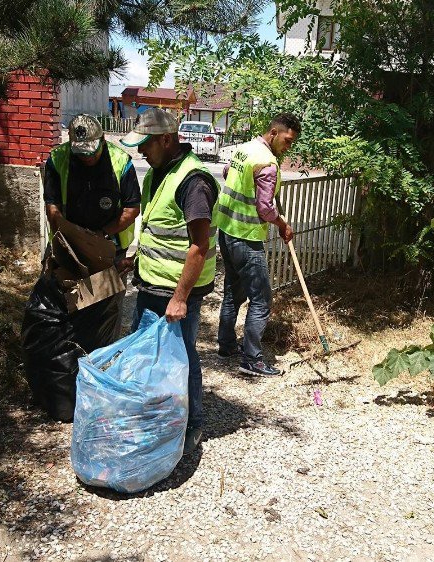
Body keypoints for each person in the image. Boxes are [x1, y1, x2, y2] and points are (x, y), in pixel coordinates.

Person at [120, 108, 219, 455]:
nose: (141, 152)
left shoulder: (194, 182)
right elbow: (154, 226)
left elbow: (199, 245)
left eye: (146, 144)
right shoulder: (158, 173)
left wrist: (180, 298)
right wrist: (134, 254)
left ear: (166, 139)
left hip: (176, 292)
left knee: (182, 357)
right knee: (148, 353)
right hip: (150, 283)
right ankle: (157, 413)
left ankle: (193, 423)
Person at [214, 113, 302, 376]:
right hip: (247, 238)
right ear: (274, 133)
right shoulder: (267, 163)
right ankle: (252, 360)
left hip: (226, 231)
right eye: (287, 141)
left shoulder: (244, 149)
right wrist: (283, 224)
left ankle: (227, 346)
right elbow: (264, 208)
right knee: (262, 300)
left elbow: (227, 171)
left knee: (233, 292)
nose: (288, 147)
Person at [43, 113, 139, 340]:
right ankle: (71, 350)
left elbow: (131, 209)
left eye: (91, 152)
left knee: (107, 308)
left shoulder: (120, 162)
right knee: (67, 303)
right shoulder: (58, 159)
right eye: (81, 153)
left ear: (103, 140)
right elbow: (52, 206)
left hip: (109, 248)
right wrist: (70, 238)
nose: (86, 158)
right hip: (69, 248)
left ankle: (103, 355)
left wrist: (99, 235)